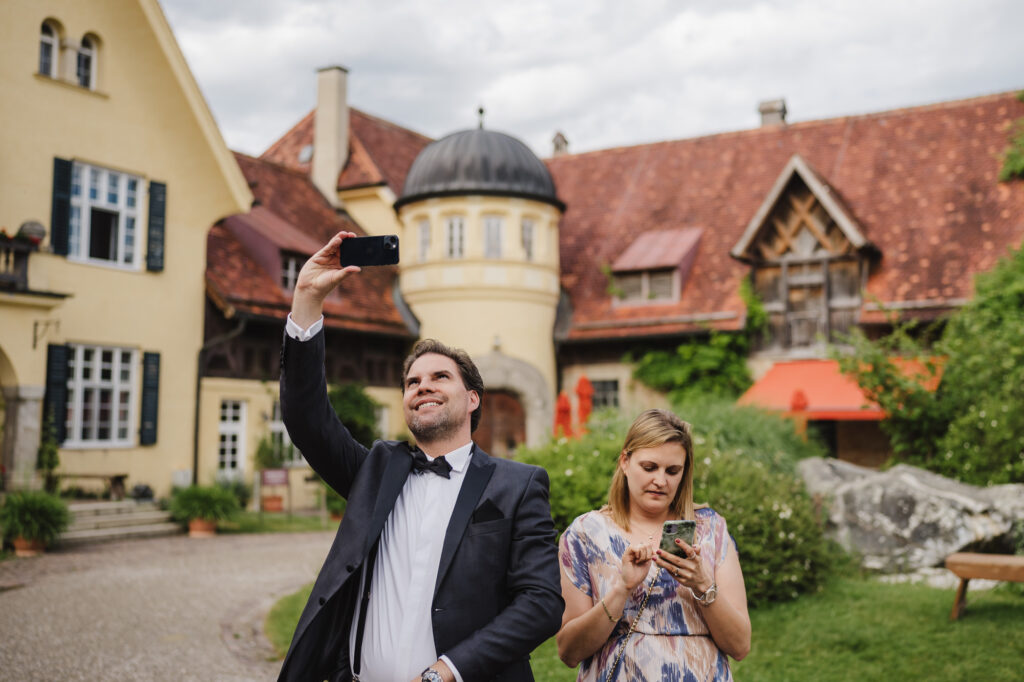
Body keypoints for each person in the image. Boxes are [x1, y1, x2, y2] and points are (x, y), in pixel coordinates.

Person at [277, 232, 564, 682]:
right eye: (412, 382)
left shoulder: (518, 485)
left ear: (472, 399)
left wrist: (448, 671)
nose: (422, 386)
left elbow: (541, 603)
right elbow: (306, 417)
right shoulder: (373, 471)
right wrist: (307, 301)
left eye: (439, 377)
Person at [556, 409, 750, 681]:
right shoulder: (586, 534)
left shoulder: (711, 530)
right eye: (649, 468)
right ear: (625, 461)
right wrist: (621, 590)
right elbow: (568, 651)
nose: (661, 481)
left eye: (673, 471)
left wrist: (703, 585)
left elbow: (740, 646)